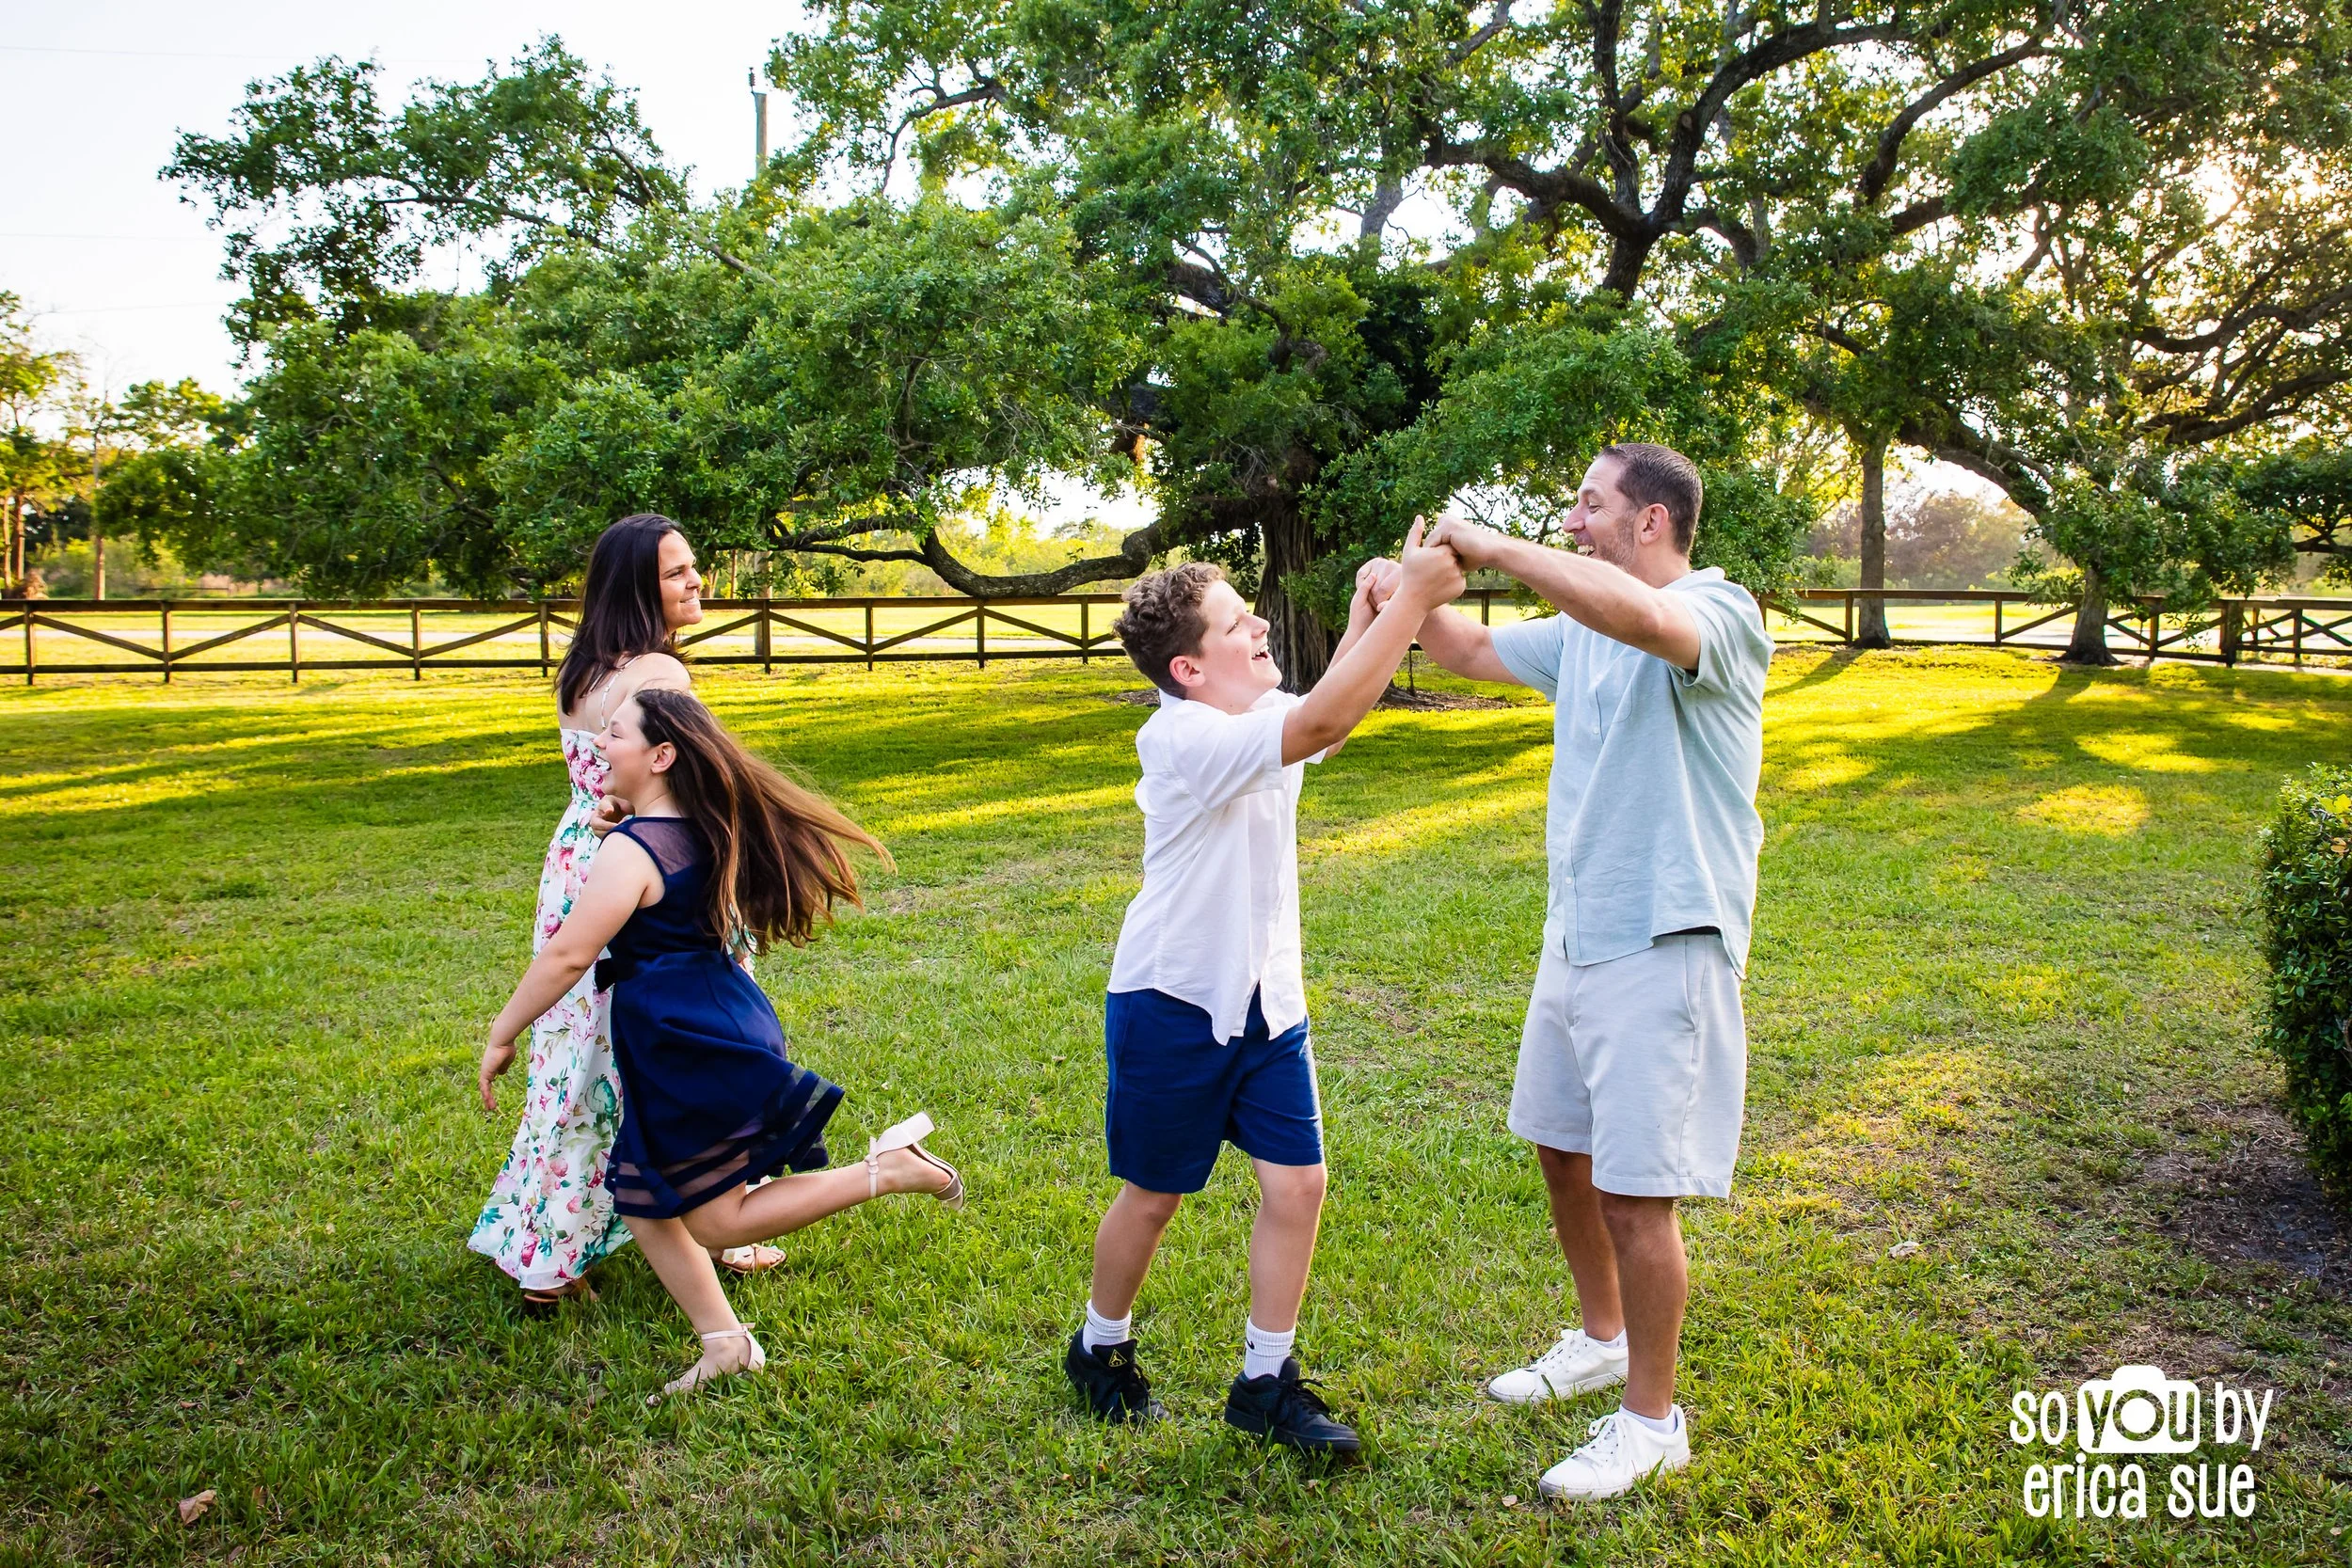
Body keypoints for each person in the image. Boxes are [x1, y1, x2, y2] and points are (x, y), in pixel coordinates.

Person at [1363, 443, 1772, 1500]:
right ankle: (1600, 1337)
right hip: (1578, 930)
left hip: (1665, 935)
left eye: (1589, 506)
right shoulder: (1580, 632)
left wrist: (1497, 544)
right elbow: (1463, 650)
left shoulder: (1719, 611)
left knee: (1639, 1197)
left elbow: (1647, 622)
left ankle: (1651, 1416)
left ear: (1650, 521)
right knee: (1563, 1149)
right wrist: (1396, 590)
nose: (1574, 520)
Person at [1061, 521, 1466, 1457]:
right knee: (1153, 1193)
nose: (1258, 629)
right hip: (1173, 1001)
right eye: (1237, 622)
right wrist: (1406, 602)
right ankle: (1098, 1346)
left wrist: (1377, 613)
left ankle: (1263, 1380)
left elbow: (1329, 711)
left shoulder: (1253, 719)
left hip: (1267, 1004)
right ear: (1190, 668)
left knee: (1299, 1182)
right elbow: (1320, 720)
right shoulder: (1184, 738)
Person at [479, 688, 962, 1400]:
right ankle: (726, 1342)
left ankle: (887, 1170)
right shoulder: (703, 827)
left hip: (687, 1042)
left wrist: (502, 1030)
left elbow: (567, 956)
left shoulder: (633, 849)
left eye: (614, 735)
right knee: (644, 1199)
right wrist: (627, 817)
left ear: (661, 754)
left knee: (715, 1219)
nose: (598, 747)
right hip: (710, 1022)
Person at [468, 514, 786, 1312]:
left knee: (578, 1055)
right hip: (652, 865)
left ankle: (546, 1246)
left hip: (583, 860)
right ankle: (725, 1215)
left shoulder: (584, 668)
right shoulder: (659, 674)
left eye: (693, 566)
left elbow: (600, 786)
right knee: (693, 1041)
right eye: (678, 572)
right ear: (640, 586)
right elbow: (695, 786)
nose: (696, 581)